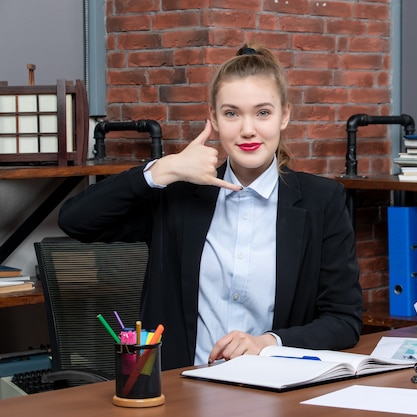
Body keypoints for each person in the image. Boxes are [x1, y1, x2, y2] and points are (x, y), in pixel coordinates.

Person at [58, 44, 363, 371]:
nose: (248, 129)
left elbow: (344, 319)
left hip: (275, 390)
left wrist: (268, 343)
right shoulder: (180, 195)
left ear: (284, 115)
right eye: (232, 113)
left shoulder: (323, 201)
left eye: (263, 113)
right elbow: (76, 220)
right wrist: (163, 169)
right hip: (183, 392)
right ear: (214, 119)